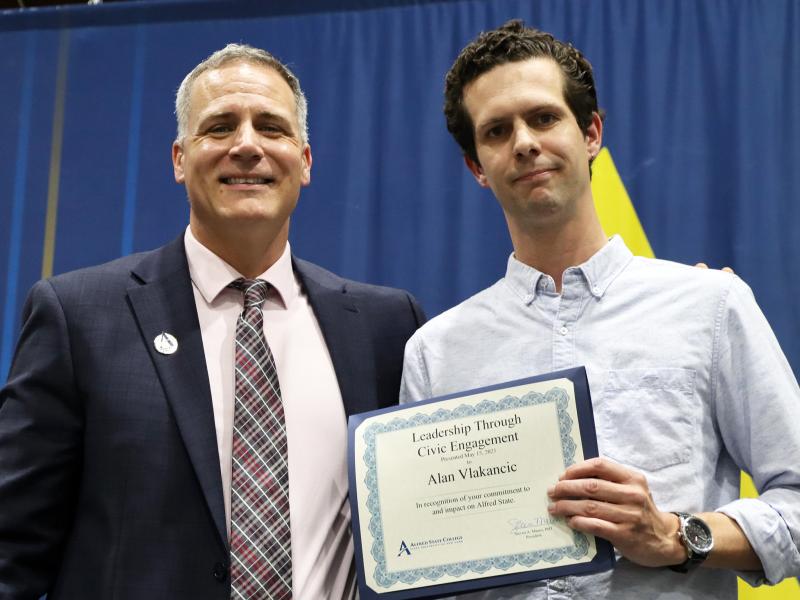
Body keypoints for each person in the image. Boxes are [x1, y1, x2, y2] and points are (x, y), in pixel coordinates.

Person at [0, 44, 424, 599]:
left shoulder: (386, 326)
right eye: (220, 127)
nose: (247, 146)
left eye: (271, 127)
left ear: (305, 161)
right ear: (179, 159)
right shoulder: (78, 315)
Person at [400, 20, 800, 598]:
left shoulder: (709, 307)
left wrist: (677, 535)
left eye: (543, 118)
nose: (524, 143)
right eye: (496, 131)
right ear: (476, 167)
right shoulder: (435, 354)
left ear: (590, 133)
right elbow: (424, 558)